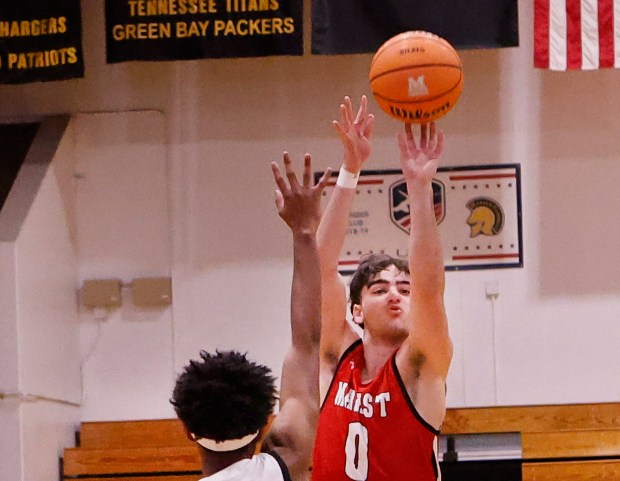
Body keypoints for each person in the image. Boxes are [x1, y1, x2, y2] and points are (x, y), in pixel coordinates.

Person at [311, 96, 453, 481]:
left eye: (403, 289)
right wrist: (350, 170)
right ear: (355, 311)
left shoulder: (420, 364)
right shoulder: (335, 357)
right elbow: (319, 268)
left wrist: (419, 189)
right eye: (379, 289)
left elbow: (429, 289)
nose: (396, 294)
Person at [171, 153, 331, 481]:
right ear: (263, 426)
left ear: (187, 430)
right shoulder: (282, 464)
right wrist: (303, 231)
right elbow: (307, 345)